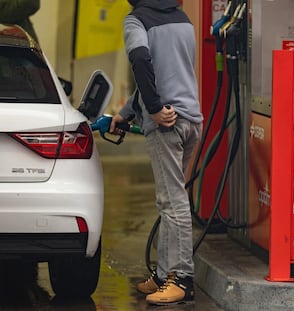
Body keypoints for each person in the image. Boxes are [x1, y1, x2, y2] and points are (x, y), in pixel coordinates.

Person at [110, 0, 203, 306]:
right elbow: (165, 72)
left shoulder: (135, 21)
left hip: (167, 124)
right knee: (169, 199)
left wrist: (153, 109)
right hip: (190, 121)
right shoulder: (182, 19)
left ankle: (182, 279)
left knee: (173, 202)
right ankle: (164, 275)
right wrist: (127, 112)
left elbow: (140, 59)